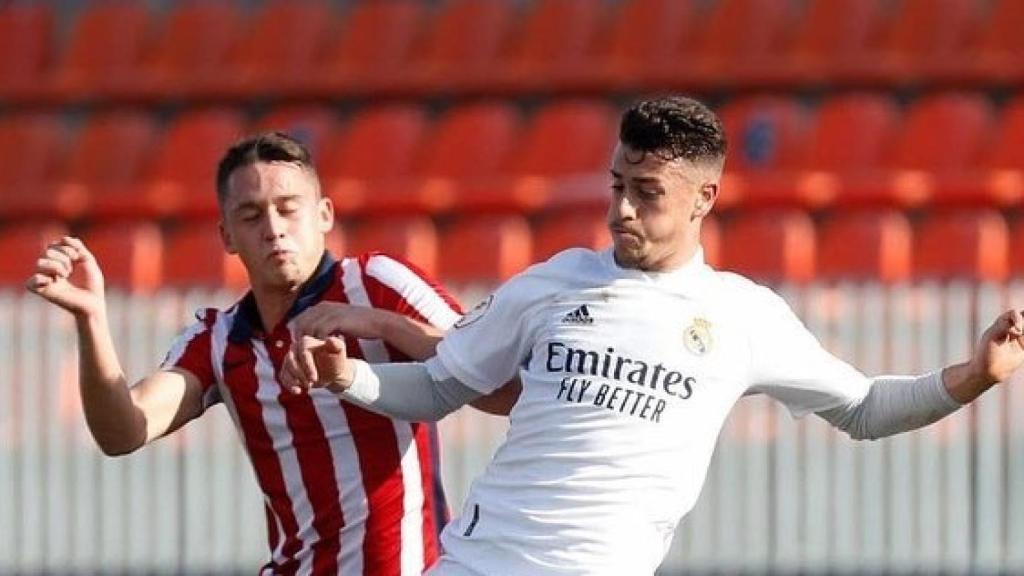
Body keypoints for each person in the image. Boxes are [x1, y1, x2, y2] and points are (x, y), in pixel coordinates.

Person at [282, 96, 1024, 576]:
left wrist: (975, 376)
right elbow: (444, 386)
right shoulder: (552, 282)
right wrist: (349, 379)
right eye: (616, 186)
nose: (622, 212)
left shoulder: (743, 315)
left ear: (705, 198)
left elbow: (863, 408)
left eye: (647, 194)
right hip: (475, 565)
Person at [25, 132, 511, 575]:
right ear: (227, 237)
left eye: (288, 208)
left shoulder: (379, 285)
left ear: (324, 215)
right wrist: (91, 320)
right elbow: (123, 431)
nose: (274, 229)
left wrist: (378, 325)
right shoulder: (217, 338)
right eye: (252, 215)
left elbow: (497, 386)